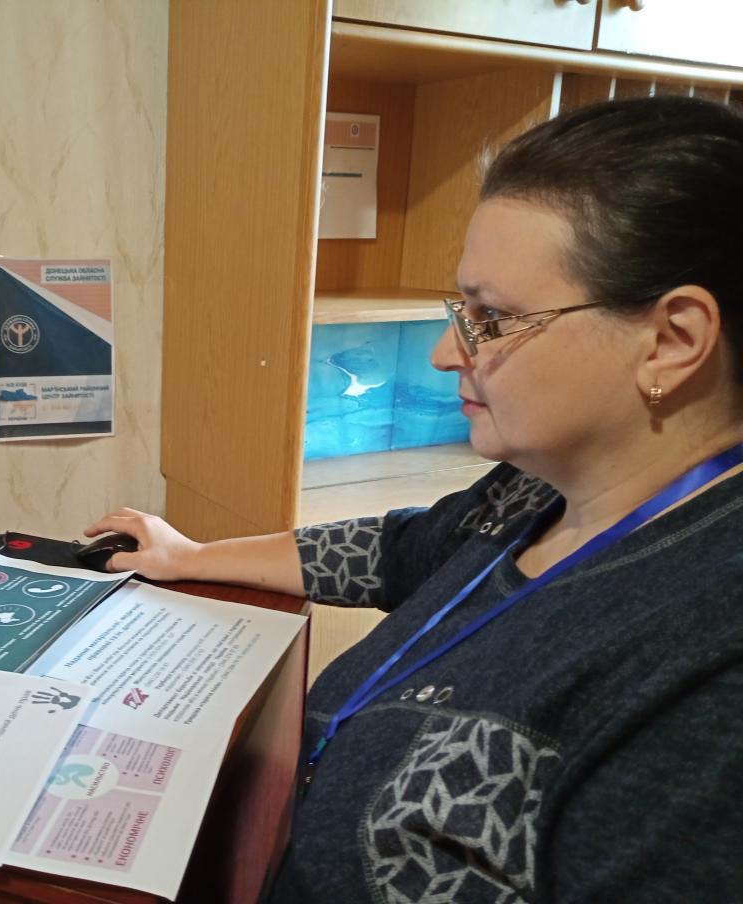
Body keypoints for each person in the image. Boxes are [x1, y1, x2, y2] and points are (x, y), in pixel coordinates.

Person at [85, 96, 743, 901]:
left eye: (492, 318)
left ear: (672, 340)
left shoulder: (712, 681)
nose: (443, 353)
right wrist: (190, 556)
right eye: (462, 312)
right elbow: (398, 550)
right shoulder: (530, 496)